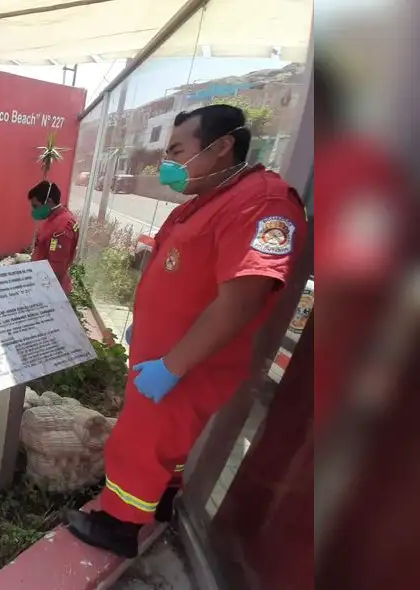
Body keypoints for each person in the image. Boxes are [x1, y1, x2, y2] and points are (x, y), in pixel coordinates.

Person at [65, 104, 307, 558]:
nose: (168, 164)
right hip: (167, 358)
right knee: (166, 445)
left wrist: (172, 366)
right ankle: (161, 501)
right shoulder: (212, 199)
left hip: (186, 366)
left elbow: (243, 298)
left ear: (220, 147)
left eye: (178, 150)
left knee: (141, 442)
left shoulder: (263, 203)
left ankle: (117, 524)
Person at [28, 180, 80, 294]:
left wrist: (43, 293)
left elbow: (57, 268)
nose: (34, 211)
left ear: (49, 201)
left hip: (51, 290)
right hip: (43, 281)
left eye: (36, 206)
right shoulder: (54, 219)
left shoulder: (62, 227)